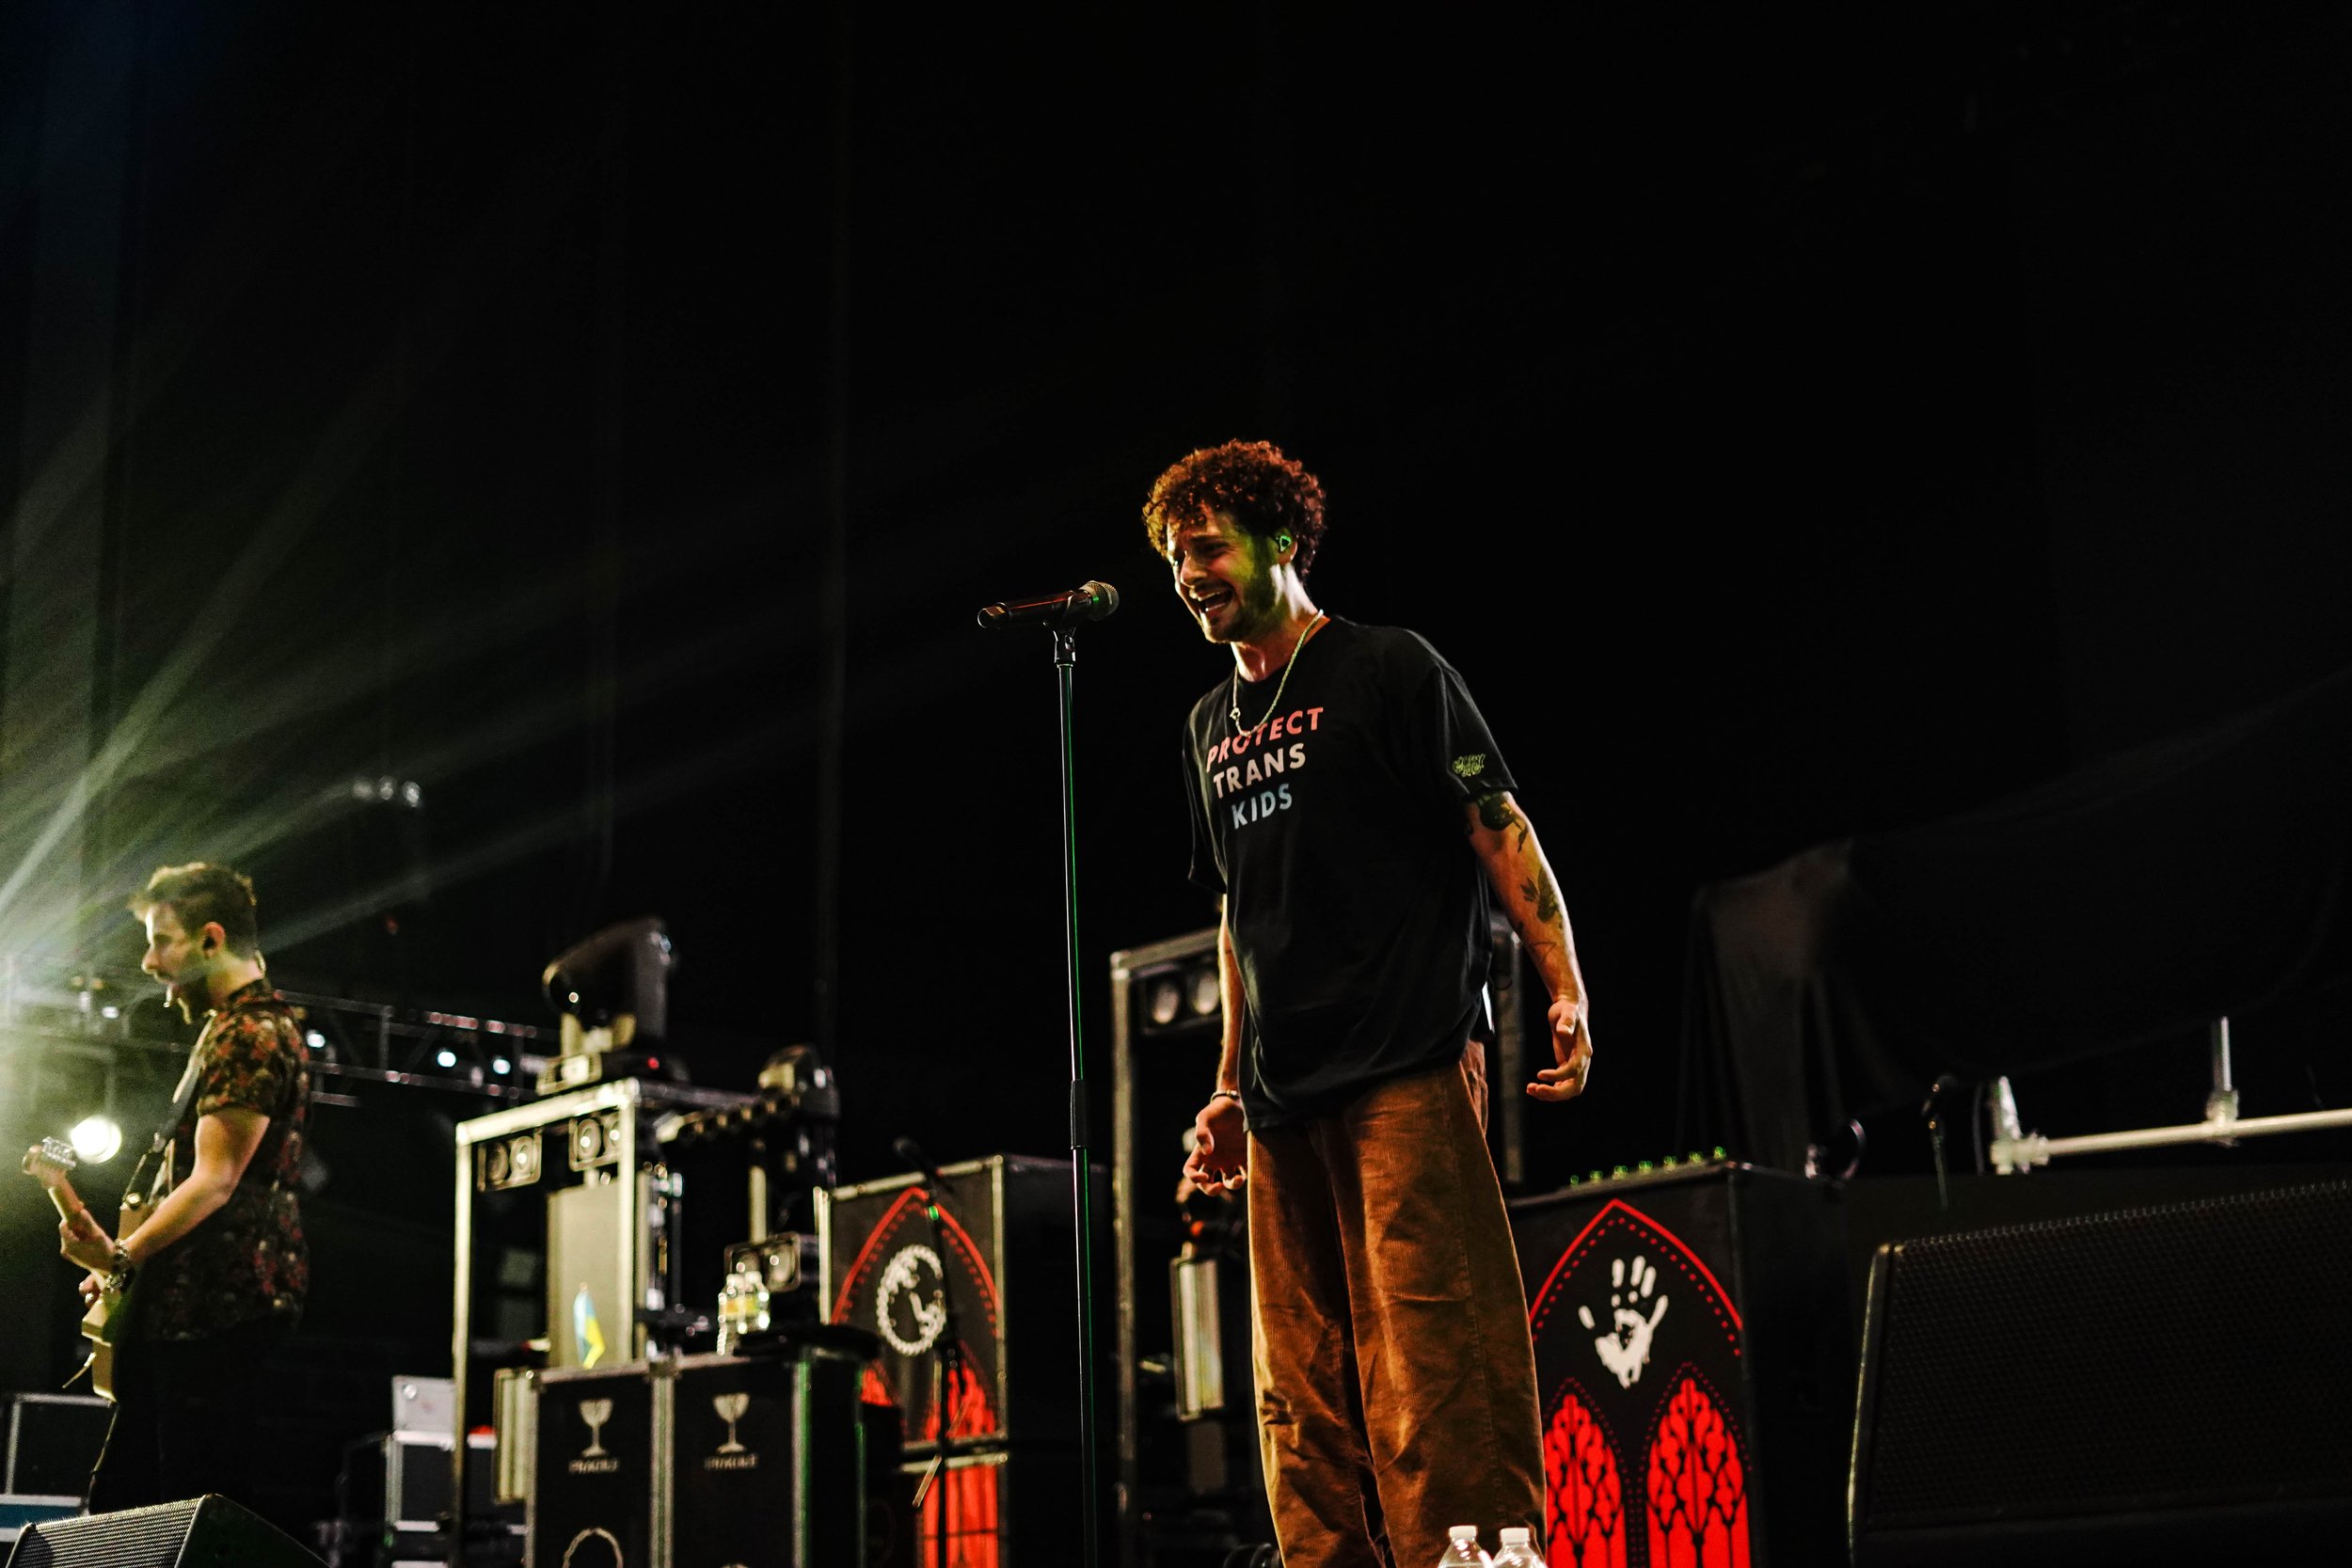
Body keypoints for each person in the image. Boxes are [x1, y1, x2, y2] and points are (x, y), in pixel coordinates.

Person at [1147, 439, 1595, 1566]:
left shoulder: (1388, 667)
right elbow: (1237, 920)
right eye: (1171, 556)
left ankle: (1475, 1554)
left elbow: (1498, 825)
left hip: (1405, 1056)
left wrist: (1564, 986)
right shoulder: (1208, 729)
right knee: (1297, 1371)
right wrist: (1223, 1090)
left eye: (1204, 546)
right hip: (1283, 1090)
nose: (1186, 572)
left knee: (1432, 1339)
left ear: (1280, 543)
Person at [57, 862, 311, 1515]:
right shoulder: (228, 1029)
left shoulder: (251, 1031)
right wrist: (127, 1248)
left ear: (211, 939)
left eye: (160, 939)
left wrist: (124, 1256)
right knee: (126, 1504)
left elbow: (214, 1181)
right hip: (189, 1311)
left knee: (178, 1509)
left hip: (219, 1312)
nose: (147, 960)